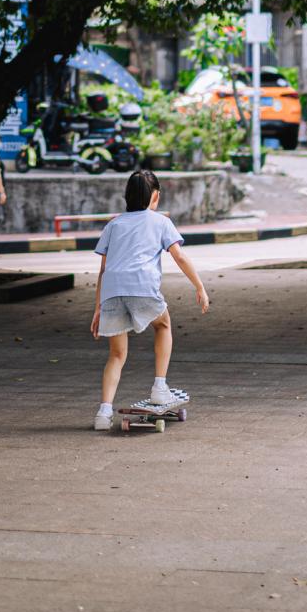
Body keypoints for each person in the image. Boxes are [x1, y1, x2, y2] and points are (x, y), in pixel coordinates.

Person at [90, 169, 209, 431]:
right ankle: (159, 386)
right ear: (155, 196)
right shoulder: (161, 222)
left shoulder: (114, 224)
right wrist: (199, 286)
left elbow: (103, 269)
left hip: (112, 289)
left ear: (127, 196)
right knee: (163, 325)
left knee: (117, 354)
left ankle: (103, 413)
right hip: (141, 286)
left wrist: (98, 308)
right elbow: (179, 256)